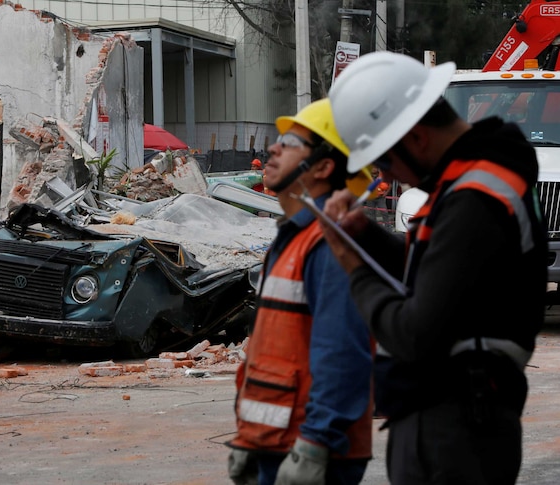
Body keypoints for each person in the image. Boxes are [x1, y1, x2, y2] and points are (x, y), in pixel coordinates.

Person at [322, 51, 546, 484]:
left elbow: (414, 334)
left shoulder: (474, 198)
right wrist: (362, 233)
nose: (390, 177)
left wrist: (354, 267)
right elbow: (441, 271)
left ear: (417, 136)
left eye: (386, 160)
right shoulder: (472, 183)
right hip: (456, 417)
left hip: (457, 425)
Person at [228, 99, 374, 485]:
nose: (274, 148)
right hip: (276, 443)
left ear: (324, 167)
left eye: (290, 142)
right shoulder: (292, 237)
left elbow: (343, 352)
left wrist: (316, 443)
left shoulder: (328, 241)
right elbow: (272, 346)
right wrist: (250, 438)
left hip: (311, 451)